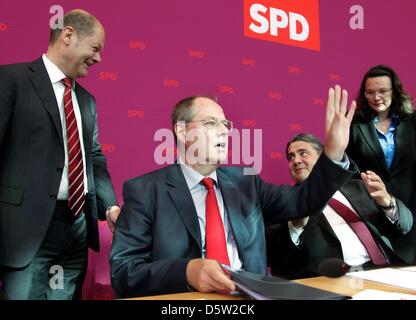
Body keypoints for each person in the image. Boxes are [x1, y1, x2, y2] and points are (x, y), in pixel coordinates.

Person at [110, 85, 356, 298]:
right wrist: (186, 272)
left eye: (226, 124)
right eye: (210, 123)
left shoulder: (246, 181)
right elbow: (124, 272)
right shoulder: (145, 191)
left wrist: (332, 153)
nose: (224, 131)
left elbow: (304, 202)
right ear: (182, 132)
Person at [0, 9, 120, 300]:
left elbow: (93, 159)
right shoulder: (10, 80)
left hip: (77, 228)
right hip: (25, 232)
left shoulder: (87, 100)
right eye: (95, 48)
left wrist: (110, 207)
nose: (98, 59)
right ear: (68, 36)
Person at [266, 133, 413, 279]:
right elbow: (278, 258)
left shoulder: (359, 187)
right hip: (335, 280)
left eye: (303, 153)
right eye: (290, 157)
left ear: (322, 158)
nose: (296, 160)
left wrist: (387, 202)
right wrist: (296, 226)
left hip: (387, 269)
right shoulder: (286, 201)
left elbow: (403, 227)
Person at [346, 65, 416, 263]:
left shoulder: (412, 122)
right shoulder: (354, 125)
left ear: (394, 91)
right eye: (370, 92)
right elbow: (349, 169)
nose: (376, 97)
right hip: (372, 214)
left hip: (411, 209)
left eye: (383, 91)